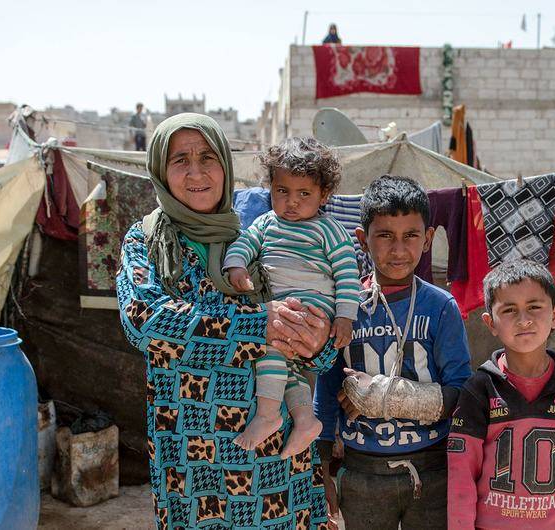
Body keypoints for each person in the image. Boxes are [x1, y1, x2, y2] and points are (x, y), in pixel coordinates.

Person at [116, 113, 337, 529]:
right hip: (193, 456)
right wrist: (257, 325)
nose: (196, 172)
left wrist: (317, 336)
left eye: (208, 157)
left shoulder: (256, 238)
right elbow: (145, 322)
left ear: (226, 166)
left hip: (275, 459)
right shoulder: (145, 240)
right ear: (161, 170)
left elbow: (311, 347)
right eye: (180, 159)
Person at [314, 175, 473, 530]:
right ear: (362, 240)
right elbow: (324, 395)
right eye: (385, 235)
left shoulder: (441, 307)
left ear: (428, 239)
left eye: (411, 236)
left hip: (433, 472)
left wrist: (382, 397)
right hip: (361, 473)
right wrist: (322, 473)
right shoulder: (344, 308)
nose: (398, 249)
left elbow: (462, 394)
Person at [447, 260, 555, 530]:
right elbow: (462, 475)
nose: (524, 320)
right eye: (509, 310)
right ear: (491, 323)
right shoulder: (479, 391)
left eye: (534, 307)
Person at [224, 137, 361, 456]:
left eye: (304, 194)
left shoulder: (330, 230)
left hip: (312, 307)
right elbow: (244, 245)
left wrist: (344, 317)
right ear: (270, 187)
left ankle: (267, 415)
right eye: (282, 191)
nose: (292, 202)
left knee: (270, 352)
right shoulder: (264, 223)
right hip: (277, 306)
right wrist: (236, 266)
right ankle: (304, 419)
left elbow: (347, 275)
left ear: (323, 195)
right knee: (289, 367)